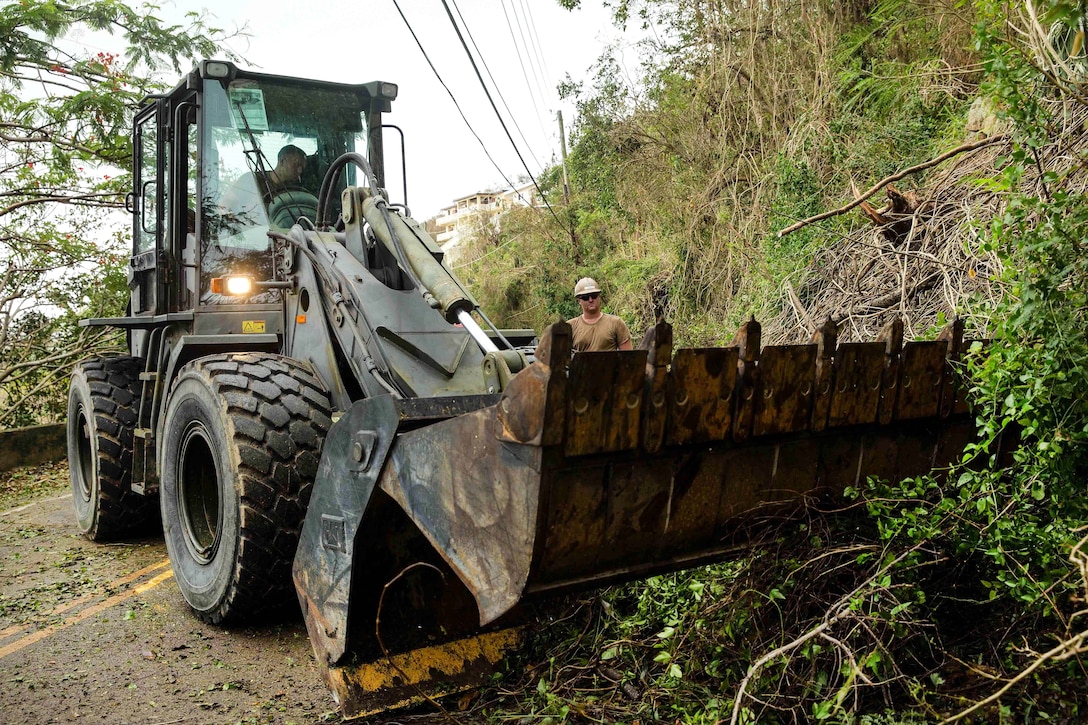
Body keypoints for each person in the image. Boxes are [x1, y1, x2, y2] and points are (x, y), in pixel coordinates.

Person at [222, 144, 308, 222]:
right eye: (296, 165)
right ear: (282, 161)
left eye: (302, 167)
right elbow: (225, 206)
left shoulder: (296, 191)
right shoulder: (251, 180)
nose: (299, 171)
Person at [567, 277, 633, 352]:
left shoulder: (616, 323)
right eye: (585, 297)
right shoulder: (570, 327)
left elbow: (629, 357)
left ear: (599, 297)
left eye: (594, 296)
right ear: (579, 301)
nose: (590, 300)